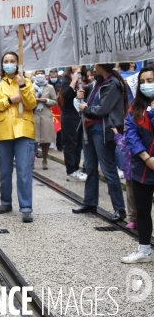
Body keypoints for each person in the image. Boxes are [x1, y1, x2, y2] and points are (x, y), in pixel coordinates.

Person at [73, 63, 127, 221]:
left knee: (108, 169)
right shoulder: (97, 83)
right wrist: (80, 97)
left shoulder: (113, 84)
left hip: (103, 131)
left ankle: (119, 208)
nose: (93, 66)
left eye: (96, 63)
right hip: (89, 130)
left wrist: (86, 109)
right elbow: (81, 99)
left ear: (102, 65)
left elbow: (103, 109)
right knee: (90, 167)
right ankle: (90, 202)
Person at [0, 52, 37, 223]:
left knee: (24, 171)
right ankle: (6, 202)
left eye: (13, 61)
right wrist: (10, 100)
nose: (9, 64)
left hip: (24, 130)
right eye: (6, 61)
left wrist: (23, 87)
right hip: (3, 131)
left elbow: (31, 103)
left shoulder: (27, 81)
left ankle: (26, 208)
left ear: (18, 64)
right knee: (5, 171)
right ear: (2, 65)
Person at [122, 66, 154, 263]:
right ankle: (144, 250)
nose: (146, 85)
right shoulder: (135, 107)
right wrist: (146, 158)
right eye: (142, 82)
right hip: (142, 168)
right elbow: (130, 134)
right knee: (142, 211)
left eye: (150, 81)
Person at [60, 67, 87, 182]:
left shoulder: (84, 78)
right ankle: (70, 171)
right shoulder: (67, 79)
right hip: (69, 116)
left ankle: (76, 169)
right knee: (70, 144)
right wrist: (74, 80)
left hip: (80, 117)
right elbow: (66, 94)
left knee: (78, 145)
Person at [32, 69, 58, 170]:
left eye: (41, 73)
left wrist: (46, 100)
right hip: (34, 114)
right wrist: (34, 100)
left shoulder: (50, 87)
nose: (39, 75)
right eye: (37, 73)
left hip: (46, 114)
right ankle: (32, 159)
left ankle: (44, 160)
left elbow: (55, 101)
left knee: (46, 139)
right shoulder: (31, 86)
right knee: (33, 139)